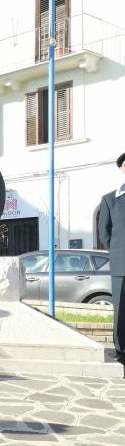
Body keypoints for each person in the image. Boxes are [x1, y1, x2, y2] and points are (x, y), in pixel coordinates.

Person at [98, 150, 125, 378]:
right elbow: (104, 233)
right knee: (121, 311)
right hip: (121, 265)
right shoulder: (110, 200)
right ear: (122, 169)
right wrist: (118, 252)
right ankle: (122, 352)